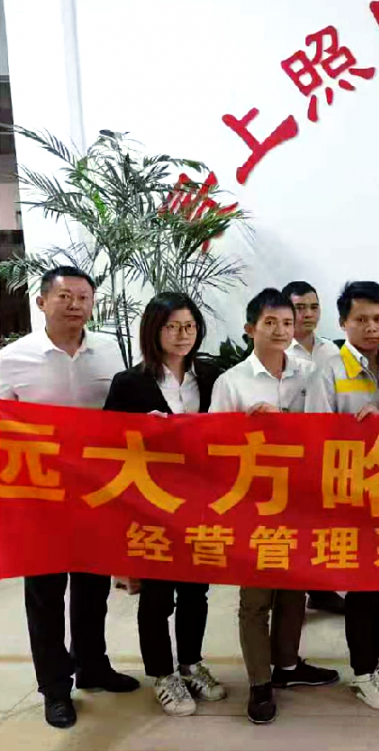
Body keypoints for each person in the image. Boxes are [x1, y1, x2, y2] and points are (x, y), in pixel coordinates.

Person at [0, 266, 139, 729]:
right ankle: (55, 688)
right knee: (45, 594)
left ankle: (93, 666)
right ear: (42, 302)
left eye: (83, 297)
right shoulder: (12, 359)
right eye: (65, 297)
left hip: (97, 494)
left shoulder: (111, 351)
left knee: (93, 587)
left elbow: (123, 417)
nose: (75, 304)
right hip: (39, 497)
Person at [209, 288, 339, 725]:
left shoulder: (311, 373)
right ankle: (259, 682)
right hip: (253, 504)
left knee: (294, 588)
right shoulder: (231, 382)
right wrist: (248, 430)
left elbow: (324, 431)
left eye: (287, 322)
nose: (282, 330)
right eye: (271, 323)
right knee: (255, 598)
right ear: (250, 328)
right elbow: (212, 447)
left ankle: (287, 664)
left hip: (299, 499)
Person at [103, 293, 227, 717]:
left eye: (189, 326)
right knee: (157, 594)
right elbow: (106, 442)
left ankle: (191, 663)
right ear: (154, 331)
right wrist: (141, 431)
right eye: (172, 326)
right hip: (151, 505)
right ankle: (162, 673)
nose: (181, 335)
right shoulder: (129, 383)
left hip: (202, 503)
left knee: (196, 590)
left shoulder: (211, 376)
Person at [304, 281, 379, 710]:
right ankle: (362, 671)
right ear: (343, 323)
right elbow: (316, 436)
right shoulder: (330, 370)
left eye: (377, 318)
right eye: (361, 319)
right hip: (352, 494)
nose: (372, 327)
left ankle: (378, 652)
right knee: (362, 587)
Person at [282, 279, 346, 616]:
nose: (307, 314)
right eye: (299, 307)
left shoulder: (332, 351)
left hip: (325, 451)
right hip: (288, 453)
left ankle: (320, 589)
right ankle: (288, 600)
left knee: (319, 524)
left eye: (313, 307)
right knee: (291, 527)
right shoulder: (277, 350)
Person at [283, 280, 340, 368]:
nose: (309, 314)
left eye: (314, 307)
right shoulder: (276, 353)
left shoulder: (331, 349)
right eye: (300, 308)